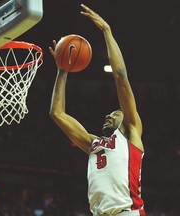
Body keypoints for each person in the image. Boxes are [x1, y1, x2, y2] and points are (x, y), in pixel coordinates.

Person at [49, 4, 145, 216]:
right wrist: (62, 72)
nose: (109, 114)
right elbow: (57, 113)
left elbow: (120, 76)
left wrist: (107, 31)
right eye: (110, 113)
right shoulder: (93, 144)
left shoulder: (130, 133)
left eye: (116, 113)